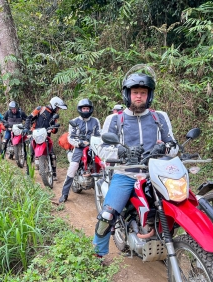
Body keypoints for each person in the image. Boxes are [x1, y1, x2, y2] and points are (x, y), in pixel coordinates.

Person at [92, 68, 178, 259]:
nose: (139, 96)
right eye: (135, 92)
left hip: (156, 174)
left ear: (149, 95)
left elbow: (173, 145)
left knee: (175, 209)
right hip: (125, 174)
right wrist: (121, 151)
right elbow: (102, 148)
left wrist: (163, 148)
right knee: (107, 215)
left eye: (143, 93)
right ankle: (98, 253)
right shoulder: (115, 119)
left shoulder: (160, 117)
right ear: (127, 94)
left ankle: (168, 242)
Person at [58, 98, 101, 203]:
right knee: (72, 168)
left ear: (90, 109)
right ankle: (64, 193)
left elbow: (99, 134)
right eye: (84, 108)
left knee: (102, 165)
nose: (85, 110)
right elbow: (70, 137)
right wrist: (79, 143)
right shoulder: (74, 121)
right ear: (80, 109)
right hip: (79, 148)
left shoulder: (95, 121)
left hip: (93, 147)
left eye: (87, 108)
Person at [24, 96, 67, 180]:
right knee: (30, 153)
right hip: (35, 134)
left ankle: (54, 173)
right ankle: (28, 172)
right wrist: (26, 128)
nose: (58, 109)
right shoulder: (40, 109)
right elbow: (29, 118)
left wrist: (53, 129)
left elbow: (55, 130)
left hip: (46, 136)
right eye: (58, 107)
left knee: (52, 154)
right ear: (54, 105)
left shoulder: (54, 116)